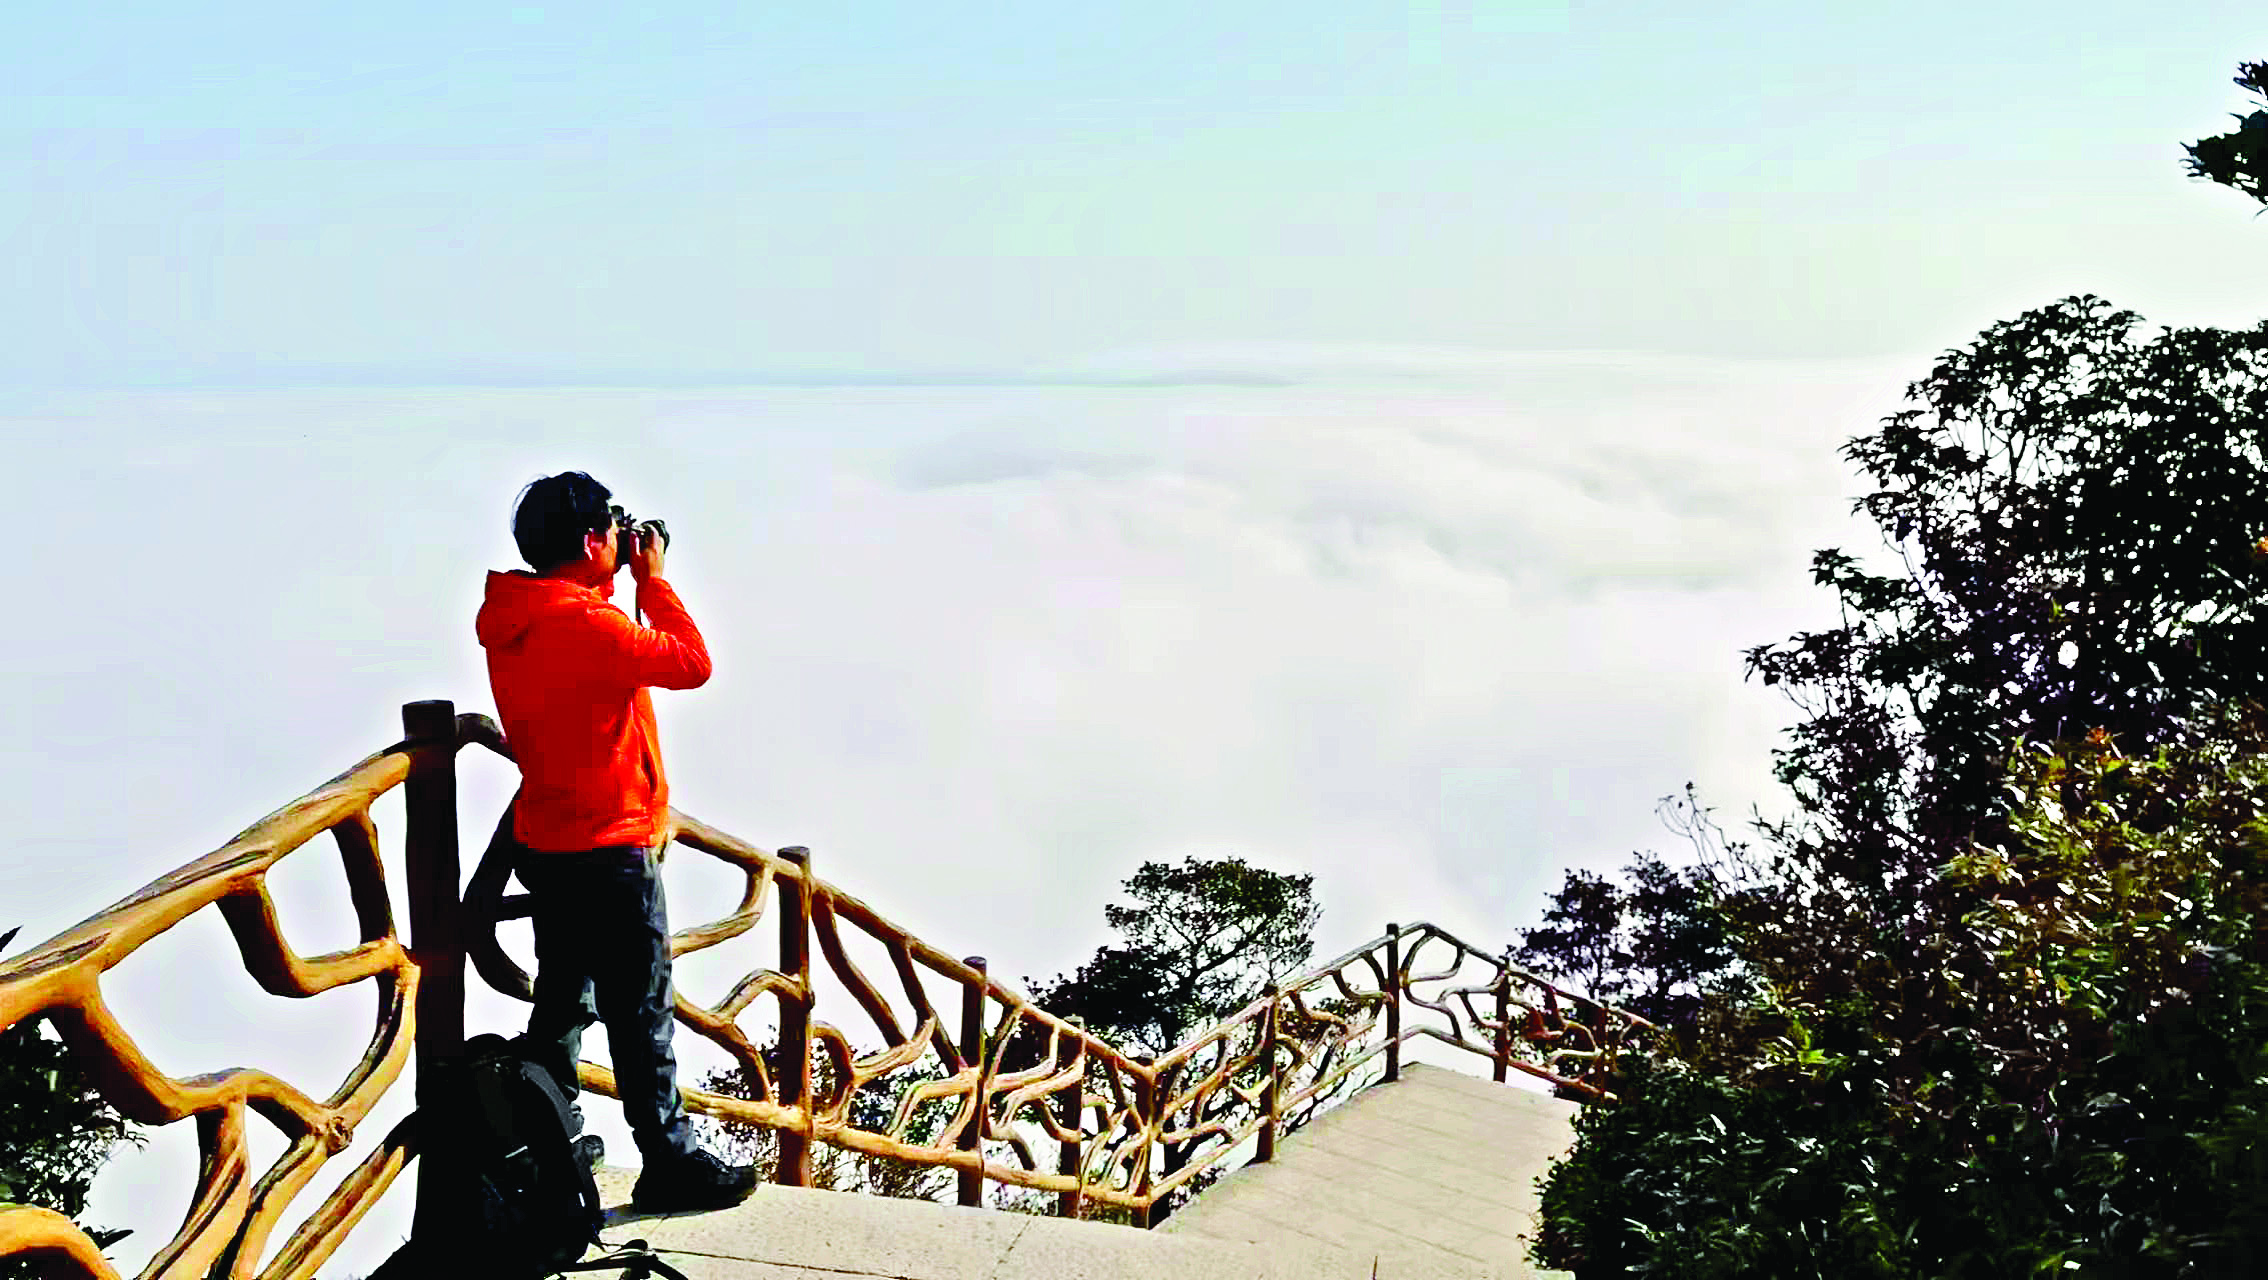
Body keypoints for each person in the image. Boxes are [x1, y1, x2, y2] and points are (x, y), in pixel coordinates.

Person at [474, 470, 756, 1213]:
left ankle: (550, 1145)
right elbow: (690, 663)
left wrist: (609, 577)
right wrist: (652, 579)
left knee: (565, 998)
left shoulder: (520, 615)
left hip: (548, 837)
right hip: (610, 845)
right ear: (592, 538)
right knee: (641, 1012)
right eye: (610, 528)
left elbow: (586, 647)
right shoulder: (589, 627)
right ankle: (669, 1159)